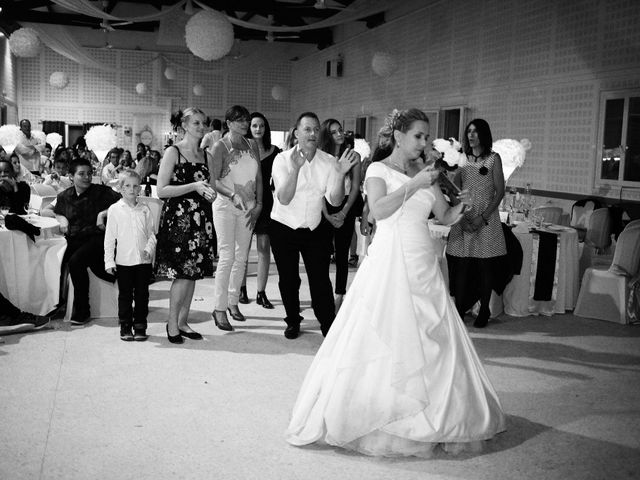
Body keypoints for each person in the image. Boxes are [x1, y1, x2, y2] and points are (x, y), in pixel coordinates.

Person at [286, 108, 505, 457]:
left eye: (426, 136)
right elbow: (380, 209)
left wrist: (459, 209)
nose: (423, 142)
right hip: (389, 260)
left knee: (432, 331)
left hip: (422, 260)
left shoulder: (427, 173)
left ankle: (437, 414)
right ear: (399, 136)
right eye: (418, 135)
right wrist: (416, 183)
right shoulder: (377, 169)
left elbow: (443, 216)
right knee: (383, 332)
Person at [270, 112, 358, 339]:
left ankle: (328, 323)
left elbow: (335, 201)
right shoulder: (282, 159)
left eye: (316, 129)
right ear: (296, 133)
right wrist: (296, 169)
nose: (312, 133)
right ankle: (292, 320)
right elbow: (284, 198)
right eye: (307, 129)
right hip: (284, 226)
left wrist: (339, 174)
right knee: (289, 278)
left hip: (315, 227)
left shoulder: (329, 162)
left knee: (320, 279)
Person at [154, 108, 216, 344]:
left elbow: (208, 188)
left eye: (204, 123)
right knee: (181, 275)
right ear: (185, 125)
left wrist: (210, 195)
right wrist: (194, 186)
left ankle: (182, 321)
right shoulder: (173, 152)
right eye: (196, 123)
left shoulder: (206, 155)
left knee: (193, 275)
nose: (201, 127)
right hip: (178, 221)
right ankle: (171, 323)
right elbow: (161, 190)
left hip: (200, 221)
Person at [446, 119, 507, 328]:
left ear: (484, 134)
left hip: (486, 219)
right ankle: (460, 308)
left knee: (484, 268)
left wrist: (483, 217)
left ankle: (484, 310)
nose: (471, 135)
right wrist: (462, 218)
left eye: (475, 132)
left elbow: (500, 192)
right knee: (461, 267)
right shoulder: (462, 159)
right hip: (464, 217)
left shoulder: (493, 159)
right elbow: (454, 190)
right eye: (469, 131)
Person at [209, 105, 262, 331]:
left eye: (246, 119)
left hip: (248, 208)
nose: (244, 123)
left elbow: (259, 175)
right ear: (228, 123)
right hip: (225, 206)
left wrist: (259, 204)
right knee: (227, 256)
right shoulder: (219, 146)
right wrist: (232, 194)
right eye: (238, 120)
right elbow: (214, 181)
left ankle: (232, 302)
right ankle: (219, 308)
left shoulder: (253, 145)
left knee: (242, 258)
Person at [54, 158, 121, 324]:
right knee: (56, 258)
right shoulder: (65, 196)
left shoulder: (102, 192)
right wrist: (61, 217)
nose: (87, 177)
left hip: (99, 238)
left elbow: (123, 202)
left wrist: (103, 214)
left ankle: (83, 310)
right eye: (81, 174)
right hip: (75, 238)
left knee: (76, 261)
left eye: (89, 174)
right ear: (71, 176)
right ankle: (57, 302)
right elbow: (51, 210)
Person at [104, 170, 156, 342]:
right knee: (125, 295)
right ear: (120, 188)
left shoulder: (145, 209)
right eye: (127, 186)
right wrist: (109, 261)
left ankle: (140, 325)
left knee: (142, 295)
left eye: (135, 186)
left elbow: (152, 234)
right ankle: (125, 325)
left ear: (140, 188)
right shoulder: (114, 210)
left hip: (143, 262)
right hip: (124, 262)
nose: (132, 189)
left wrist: (149, 249)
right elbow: (110, 238)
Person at [318, 119, 363, 312]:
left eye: (340, 130)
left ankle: (339, 295)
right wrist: (327, 214)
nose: (339, 134)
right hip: (324, 206)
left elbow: (355, 187)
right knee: (321, 253)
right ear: (327, 135)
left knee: (342, 253)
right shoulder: (321, 156)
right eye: (334, 132)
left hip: (347, 204)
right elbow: (317, 188)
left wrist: (344, 212)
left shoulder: (354, 156)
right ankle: (322, 294)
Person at [238, 112, 281, 309]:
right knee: (244, 249)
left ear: (266, 128)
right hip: (245, 203)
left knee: (264, 249)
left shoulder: (275, 152)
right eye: (254, 125)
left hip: (267, 204)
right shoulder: (241, 151)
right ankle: (242, 288)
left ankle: (261, 292)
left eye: (261, 126)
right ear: (249, 128)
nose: (258, 129)